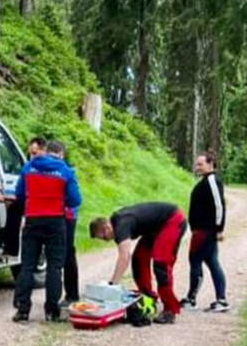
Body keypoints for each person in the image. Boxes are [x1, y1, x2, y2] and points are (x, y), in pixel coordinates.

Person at [12, 139, 82, 323]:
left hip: (33, 221)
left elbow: (19, 195)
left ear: (45, 151)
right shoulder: (66, 171)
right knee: (54, 268)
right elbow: (75, 200)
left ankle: (23, 311)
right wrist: (59, 201)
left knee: (27, 266)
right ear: (60, 154)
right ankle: (51, 312)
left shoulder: (28, 168)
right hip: (55, 222)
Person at [89, 202, 188, 324]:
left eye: (104, 237)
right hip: (155, 228)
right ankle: (148, 296)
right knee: (139, 260)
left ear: (107, 227)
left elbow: (124, 257)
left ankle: (170, 309)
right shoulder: (118, 222)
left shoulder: (121, 224)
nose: (106, 241)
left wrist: (113, 285)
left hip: (173, 220)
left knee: (161, 263)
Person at [180, 151, 229, 312]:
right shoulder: (205, 181)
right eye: (197, 164)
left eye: (200, 164)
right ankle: (220, 299)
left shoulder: (213, 181)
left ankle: (192, 298)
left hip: (206, 231)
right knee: (212, 263)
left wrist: (219, 229)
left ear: (210, 164)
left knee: (195, 261)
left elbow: (219, 206)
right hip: (200, 231)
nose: (197, 167)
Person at [48, 142, 80, 305]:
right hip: (64, 215)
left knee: (66, 253)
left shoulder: (67, 171)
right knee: (65, 254)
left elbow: (74, 199)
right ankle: (68, 294)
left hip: (66, 215)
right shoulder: (67, 170)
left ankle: (71, 294)